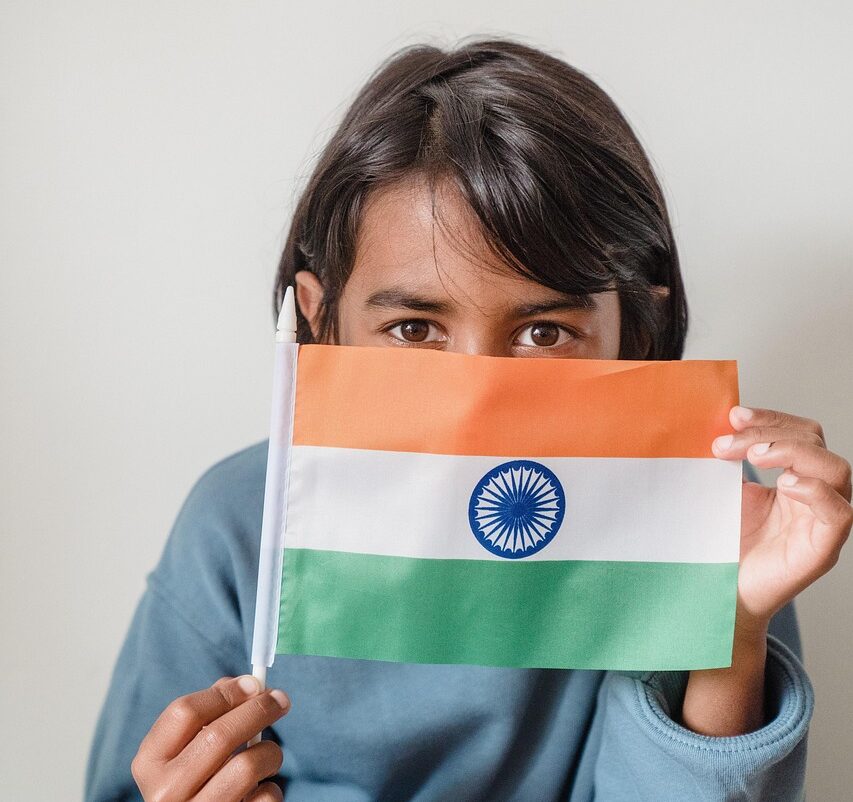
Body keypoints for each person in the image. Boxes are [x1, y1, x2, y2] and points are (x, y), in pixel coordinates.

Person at [85, 36, 852, 801]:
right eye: (414, 330)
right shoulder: (239, 520)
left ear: (634, 334)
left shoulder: (705, 520)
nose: (477, 390)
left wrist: (732, 626)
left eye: (542, 332)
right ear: (320, 322)